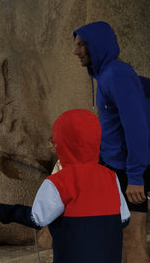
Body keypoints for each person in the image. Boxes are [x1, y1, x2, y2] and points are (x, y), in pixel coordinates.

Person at [0, 109, 130, 263]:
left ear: (63, 144)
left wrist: (4, 212)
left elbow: (37, 218)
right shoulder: (110, 177)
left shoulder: (58, 181)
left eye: (54, 141)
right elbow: (124, 219)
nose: (51, 146)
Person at [73, 21, 150, 262]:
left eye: (82, 44)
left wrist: (136, 176)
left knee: (132, 239)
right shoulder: (108, 75)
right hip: (115, 168)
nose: (76, 51)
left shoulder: (117, 74)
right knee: (119, 239)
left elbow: (136, 127)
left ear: (98, 45)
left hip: (129, 172)